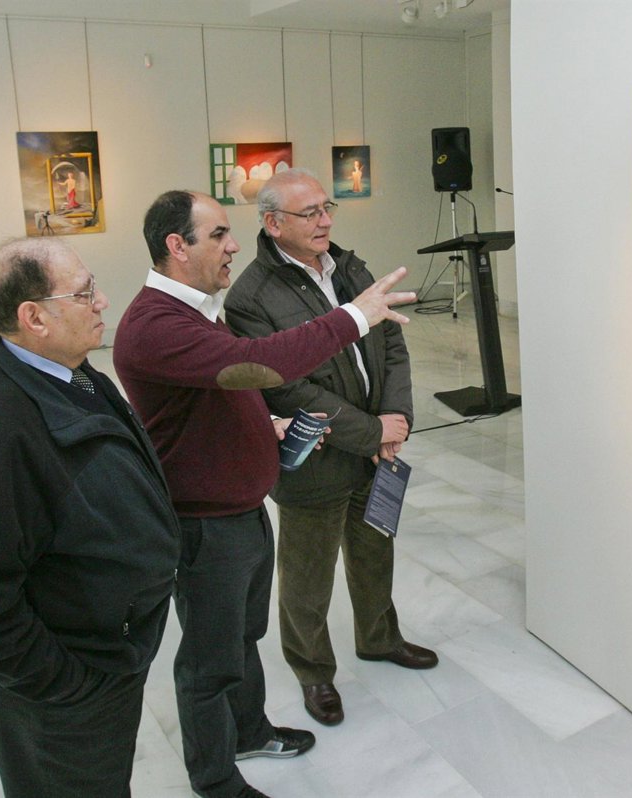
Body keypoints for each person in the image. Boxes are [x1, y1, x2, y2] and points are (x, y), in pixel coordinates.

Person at [112, 189, 415, 798]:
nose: (233, 246)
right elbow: (258, 365)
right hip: (205, 524)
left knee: (241, 638)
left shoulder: (196, 310)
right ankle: (215, 778)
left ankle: (249, 730)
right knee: (209, 660)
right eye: (218, 234)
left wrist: (265, 423)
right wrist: (354, 316)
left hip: (241, 508)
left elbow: (224, 391)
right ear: (177, 246)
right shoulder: (156, 324)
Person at [0, 237, 182, 798]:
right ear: (34, 318)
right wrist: (69, 686)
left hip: (106, 653)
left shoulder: (68, 372)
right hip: (68, 693)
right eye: (85, 293)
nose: (103, 301)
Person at [223, 168, 438, 731]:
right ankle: (313, 670)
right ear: (273, 223)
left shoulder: (350, 267)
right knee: (307, 577)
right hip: (315, 458)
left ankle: (380, 637)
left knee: (374, 552)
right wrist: (373, 431)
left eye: (327, 208)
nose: (324, 221)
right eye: (310, 212)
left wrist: (396, 419)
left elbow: (391, 343)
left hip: (374, 449)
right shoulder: (250, 298)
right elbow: (285, 387)